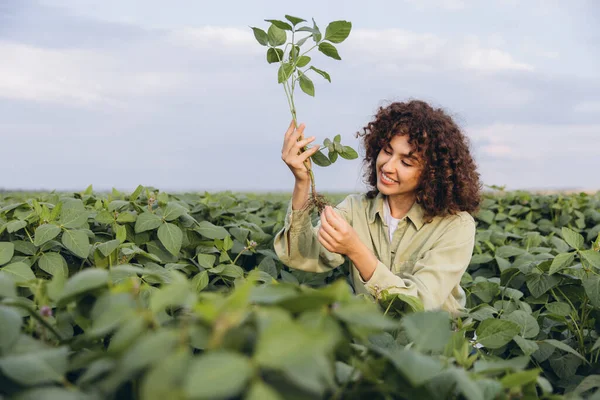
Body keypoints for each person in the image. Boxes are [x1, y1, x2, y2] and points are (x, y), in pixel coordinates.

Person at [274, 99, 481, 315]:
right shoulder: (356, 209)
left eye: (406, 162)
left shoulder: (456, 225)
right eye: (387, 151)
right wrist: (302, 182)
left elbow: (420, 305)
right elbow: (301, 255)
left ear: (432, 173)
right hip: (371, 338)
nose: (388, 166)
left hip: (432, 342)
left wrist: (355, 249)